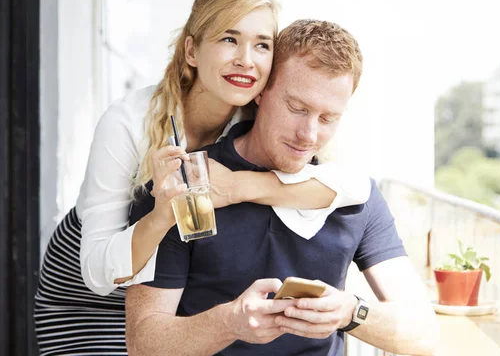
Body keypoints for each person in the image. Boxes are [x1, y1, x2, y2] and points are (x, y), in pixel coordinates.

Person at [34, 0, 369, 356]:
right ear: (191, 50)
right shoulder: (128, 122)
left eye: (262, 44)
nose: (246, 59)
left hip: (168, 296)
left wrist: (240, 186)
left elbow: (357, 187)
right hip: (94, 294)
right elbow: (96, 274)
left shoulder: (261, 109)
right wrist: (162, 215)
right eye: (229, 39)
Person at [126, 19, 439, 356]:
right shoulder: (184, 185)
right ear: (261, 90)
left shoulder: (355, 199)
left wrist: (350, 312)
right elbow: (144, 344)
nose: (309, 134)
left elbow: (423, 334)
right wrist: (229, 322)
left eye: (328, 118)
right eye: (297, 108)